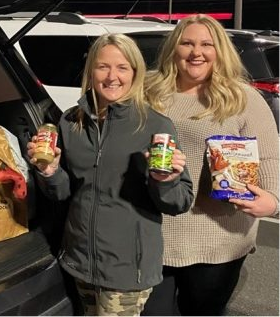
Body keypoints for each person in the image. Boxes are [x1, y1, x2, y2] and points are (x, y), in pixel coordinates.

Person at [26, 33, 194, 316]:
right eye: (103, 66)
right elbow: (65, 192)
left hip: (126, 270)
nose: (112, 76)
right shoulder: (70, 121)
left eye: (122, 67)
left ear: (135, 73)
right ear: (91, 71)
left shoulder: (154, 123)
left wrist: (165, 181)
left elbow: (180, 202)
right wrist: (50, 171)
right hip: (80, 259)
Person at [142, 14, 279, 316]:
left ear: (220, 51)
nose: (196, 52)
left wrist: (273, 201)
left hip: (219, 239)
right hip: (154, 234)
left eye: (207, 44)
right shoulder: (148, 93)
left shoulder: (243, 98)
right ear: (173, 48)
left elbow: (270, 157)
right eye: (187, 43)